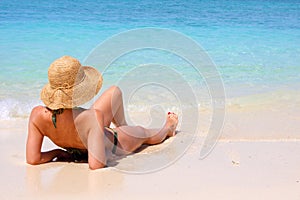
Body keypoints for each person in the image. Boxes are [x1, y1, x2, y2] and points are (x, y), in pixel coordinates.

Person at [26, 56, 178, 170]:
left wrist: (57, 152)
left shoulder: (37, 115)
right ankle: (168, 129)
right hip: (112, 143)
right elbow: (96, 164)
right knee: (144, 133)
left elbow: (33, 159)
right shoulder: (92, 117)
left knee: (114, 92)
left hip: (87, 134)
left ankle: (123, 126)